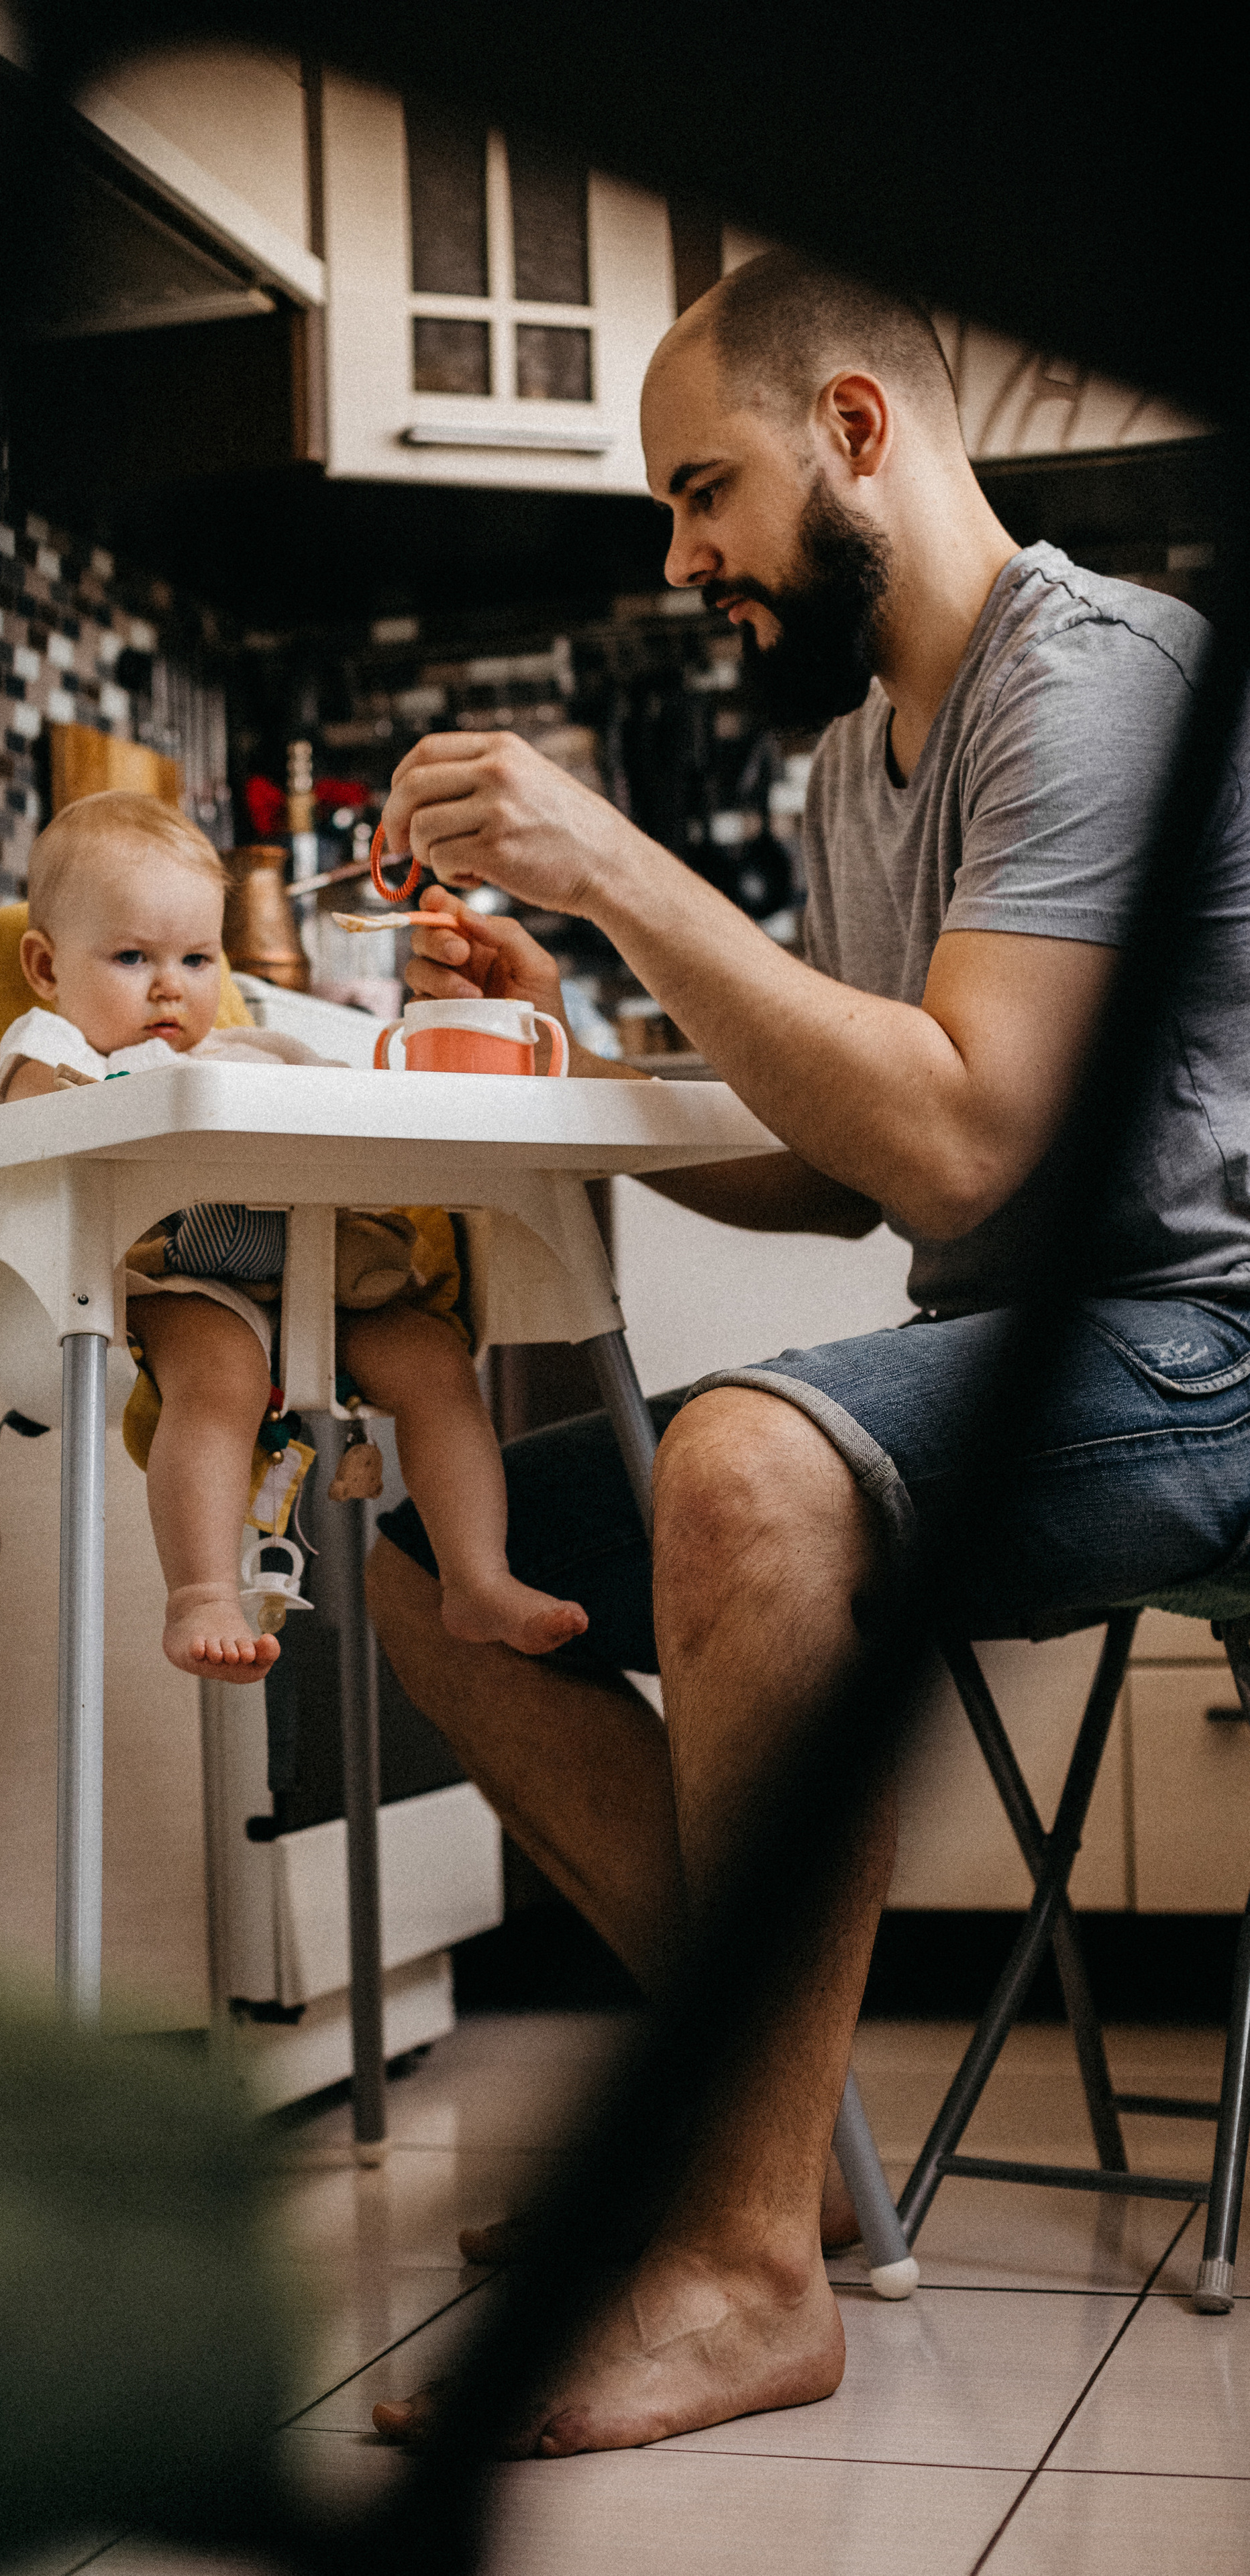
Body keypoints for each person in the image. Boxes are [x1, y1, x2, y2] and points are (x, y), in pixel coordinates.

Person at [364, 249, 1250, 2455]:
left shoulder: (1106, 679)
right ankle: (755, 2130)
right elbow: (850, 1158)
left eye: (702, 491)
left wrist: (623, 871)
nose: (683, 559)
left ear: (855, 432)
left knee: (743, 1465)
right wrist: (581, 1054)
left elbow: (961, 1138)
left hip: (1204, 1347)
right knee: (413, 1542)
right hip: (1019, 1360)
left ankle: (749, 2270)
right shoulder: (866, 766)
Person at [0, 790, 588, 1679]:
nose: (170, 985)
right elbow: (30, 1122)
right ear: (46, 967)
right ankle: (201, 1593)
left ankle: (477, 1577)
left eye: (197, 957)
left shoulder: (237, 1046)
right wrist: (105, 1099)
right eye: (130, 956)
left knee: (433, 1362)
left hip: (319, 1267)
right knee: (222, 1377)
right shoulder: (64, 1049)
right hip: (180, 1272)